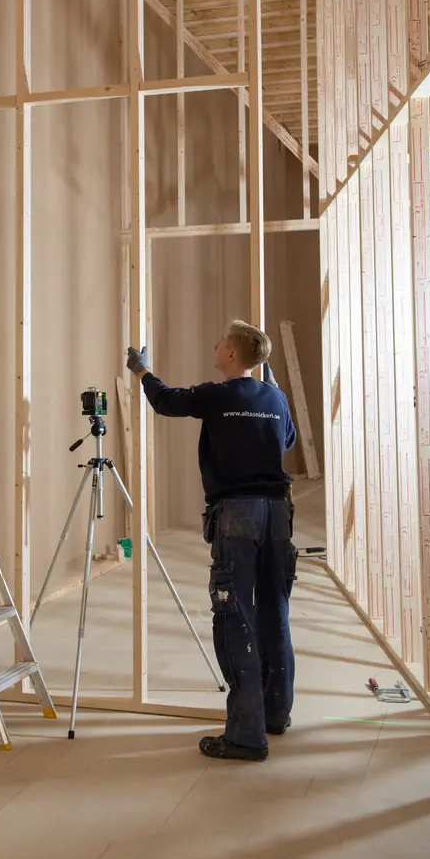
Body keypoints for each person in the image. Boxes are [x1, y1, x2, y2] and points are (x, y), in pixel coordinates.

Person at [126, 321, 298, 763]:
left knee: (235, 617)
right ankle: (275, 715)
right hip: (278, 513)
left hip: (238, 513)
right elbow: (290, 439)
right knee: (275, 614)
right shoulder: (275, 397)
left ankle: (245, 735)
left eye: (220, 341)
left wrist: (143, 371)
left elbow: (166, 402)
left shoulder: (220, 394)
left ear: (234, 356)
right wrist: (273, 403)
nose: (214, 345)